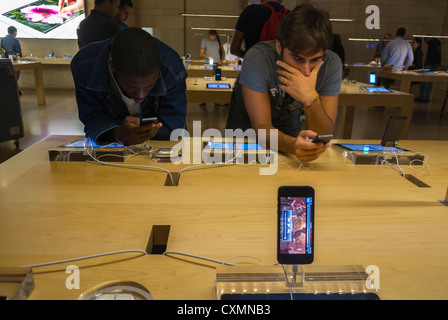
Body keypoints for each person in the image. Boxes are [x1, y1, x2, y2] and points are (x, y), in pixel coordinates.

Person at [226, 4, 342, 163]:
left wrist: (310, 98)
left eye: (315, 60)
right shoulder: (257, 57)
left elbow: (322, 135)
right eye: (298, 59)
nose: (306, 71)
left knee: (290, 167)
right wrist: (293, 144)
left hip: (287, 117)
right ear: (279, 46)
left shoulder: (331, 63)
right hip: (246, 122)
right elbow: (261, 127)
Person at [71, 28, 187, 145]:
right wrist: (116, 133)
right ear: (112, 66)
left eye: (149, 86)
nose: (141, 95)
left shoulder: (172, 68)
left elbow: (173, 125)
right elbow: (92, 118)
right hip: (113, 146)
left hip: (162, 144)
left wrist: (135, 131)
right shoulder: (85, 66)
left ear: (158, 70)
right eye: (132, 87)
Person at [417, 36, 442, 102]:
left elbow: (438, 51)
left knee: (428, 81)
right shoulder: (433, 43)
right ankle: (423, 96)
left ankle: (425, 97)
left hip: (432, 63)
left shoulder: (433, 42)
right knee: (426, 80)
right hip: (430, 64)